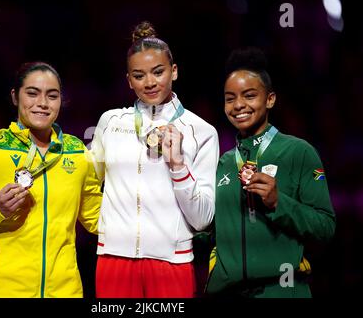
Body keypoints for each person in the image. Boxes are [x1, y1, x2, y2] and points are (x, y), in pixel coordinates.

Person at [0, 62, 102, 298]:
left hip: (66, 291)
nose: (43, 103)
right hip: (3, 289)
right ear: (15, 96)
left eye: (52, 96)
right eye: (32, 93)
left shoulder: (77, 153)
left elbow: (96, 218)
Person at [91, 21, 219, 298]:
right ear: (128, 80)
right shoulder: (110, 122)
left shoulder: (202, 131)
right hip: (113, 259)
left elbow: (202, 219)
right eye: (139, 75)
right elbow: (88, 183)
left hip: (172, 262)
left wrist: (178, 167)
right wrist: (102, 227)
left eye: (158, 72)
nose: (149, 82)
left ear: (174, 71)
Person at [205, 47, 336, 298]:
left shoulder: (299, 152)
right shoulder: (222, 162)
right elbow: (211, 230)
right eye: (230, 98)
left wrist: (279, 203)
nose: (238, 105)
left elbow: (326, 227)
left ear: (270, 99)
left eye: (249, 95)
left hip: (283, 290)